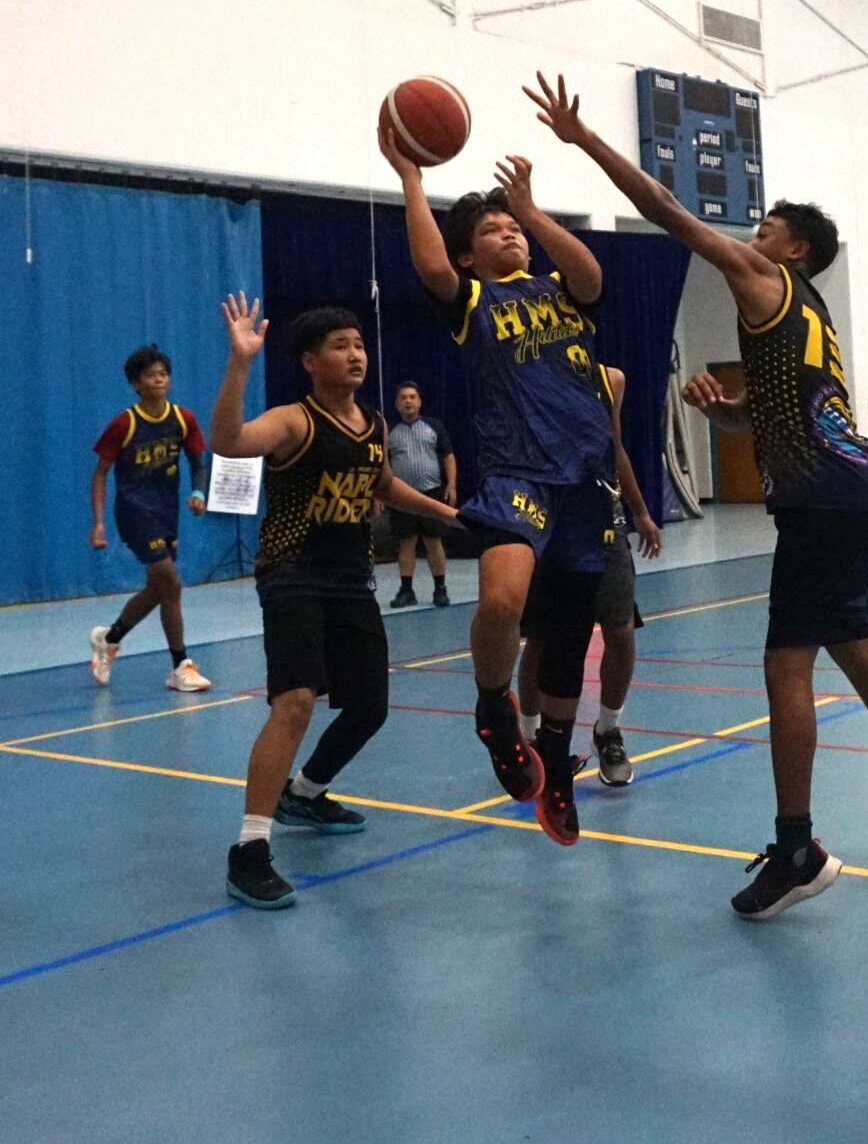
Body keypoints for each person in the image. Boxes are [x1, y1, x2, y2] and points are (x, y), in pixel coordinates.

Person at [525, 71, 868, 920]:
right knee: (846, 638)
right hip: (846, 485)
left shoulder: (762, 279)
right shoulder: (805, 313)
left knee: (784, 665)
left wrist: (584, 142)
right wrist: (723, 411)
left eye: (765, 227)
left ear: (792, 250)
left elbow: (664, 207)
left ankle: (797, 848)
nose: (749, 233)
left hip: (822, 494)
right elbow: (770, 418)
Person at [380, 127, 615, 848]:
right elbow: (429, 266)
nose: (509, 234)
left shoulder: (560, 291)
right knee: (503, 601)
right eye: (493, 230)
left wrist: (532, 210)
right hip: (516, 472)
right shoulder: (473, 299)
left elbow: (591, 276)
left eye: (513, 228)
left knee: (569, 633)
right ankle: (492, 706)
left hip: (585, 478)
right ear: (468, 254)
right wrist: (412, 178)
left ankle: (556, 759)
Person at [209, 295, 460, 910]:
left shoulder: (374, 424)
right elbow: (229, 440)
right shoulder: (293, 421)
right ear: (310, 361)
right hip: (293, 574)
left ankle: (304, 793)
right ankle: (249, 850)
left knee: (370, 706)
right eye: (340, 346)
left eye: (359, 344)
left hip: (351, 581)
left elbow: (383, 484)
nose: (355, 355)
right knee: (294, 702)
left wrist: (448, 513)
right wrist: (240, 362)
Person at [517, 362, 662, 786]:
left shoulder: (610, 379)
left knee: (620, 630)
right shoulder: (527, 373)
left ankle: (608, 730)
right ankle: (530, 738)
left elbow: (614, 449)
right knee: (542, 637)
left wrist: (640, 511)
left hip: (603, 521)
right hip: (551, 522)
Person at [88, 344, 212, 693]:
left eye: (163, 374)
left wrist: (199, 492)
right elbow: (100, 473)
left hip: (166, 512)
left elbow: (198, 462)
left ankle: (109, 639)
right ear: (135, 384)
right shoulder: (124, 424)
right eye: (150, 375)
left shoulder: (183, 418)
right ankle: (180, 666)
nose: (159, 379)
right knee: (171, 582)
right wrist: (98, 522)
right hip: (134, 512)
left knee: (158, 589)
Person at [386, 381, 456, 608]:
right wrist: (379, 495)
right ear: (396, 404)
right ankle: (406, 591)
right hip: (401, 498)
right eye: (403, 398)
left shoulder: (434, 426)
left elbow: (448, 456)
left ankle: (440, 589)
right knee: (405, 543)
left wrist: (452, 485)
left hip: (431, 494)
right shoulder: (389, 431)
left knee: (433, 541)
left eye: (412, 397)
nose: (408, 401)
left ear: (420, 402)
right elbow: (382, 464)